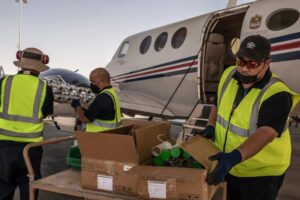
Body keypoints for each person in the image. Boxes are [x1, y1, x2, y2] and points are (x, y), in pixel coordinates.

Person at [201, 35, 300, 200]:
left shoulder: (277, 93)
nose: (244, 69)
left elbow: (267, 132)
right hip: (231, 167)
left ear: (267, 63)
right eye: (240, 61)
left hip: (261, 175)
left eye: (252, 64)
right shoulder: (228, 75)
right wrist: (211, 126)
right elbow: (217, 104)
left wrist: (234, 157)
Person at [0, 48, 54, 200]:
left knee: (3, 188)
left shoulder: (4, 82)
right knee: (29, 189)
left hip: (4, 147)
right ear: (41, 65)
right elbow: (45, 114)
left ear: (21, 63)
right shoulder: (45, 88)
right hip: (31, 149)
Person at [71, 68, 122, 132]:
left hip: (101, 137)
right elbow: (98, 113)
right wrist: (82, 109)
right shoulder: (110, 92)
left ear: (101, 81)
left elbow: (85, 119)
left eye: (93, 81)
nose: (91, 84)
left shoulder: (102, 97)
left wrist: (77, 106)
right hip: (110, 135)